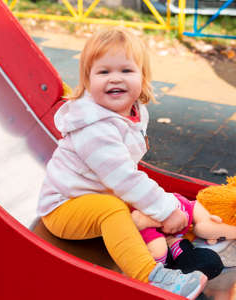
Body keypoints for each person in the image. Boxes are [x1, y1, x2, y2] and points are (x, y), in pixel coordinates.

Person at [38, 27, 207, 299]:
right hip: (64, 207)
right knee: (115, 208)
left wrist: (166, 207)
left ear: (142, 76)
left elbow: (126, 177)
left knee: (148, 200)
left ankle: (177, 239)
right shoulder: (93, 128)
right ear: (87, 80)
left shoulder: (133, 112)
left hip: (99, 192)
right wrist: (165, 211)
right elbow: (125, 179)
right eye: (103, 72)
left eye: (126, 71)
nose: (114, 79)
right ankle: (151, 278)